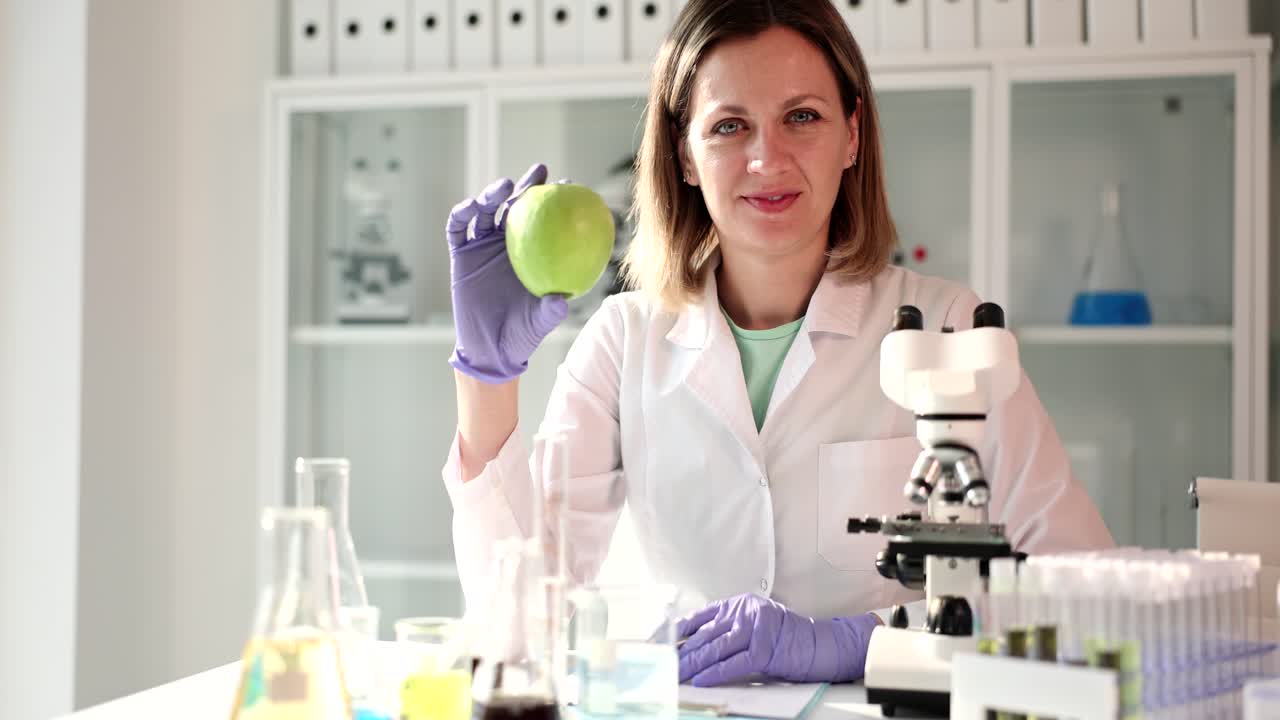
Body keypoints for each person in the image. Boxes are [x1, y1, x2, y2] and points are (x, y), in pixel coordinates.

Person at [442, 0, 1112, 689]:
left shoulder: (947, 327)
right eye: (730, 126)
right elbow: (518, 620)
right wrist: (487, 378)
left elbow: (1081, 586)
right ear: (686, 155)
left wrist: (867, 641)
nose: (767, 158)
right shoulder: (621, 342)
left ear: (852, 134)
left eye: (802, 117)